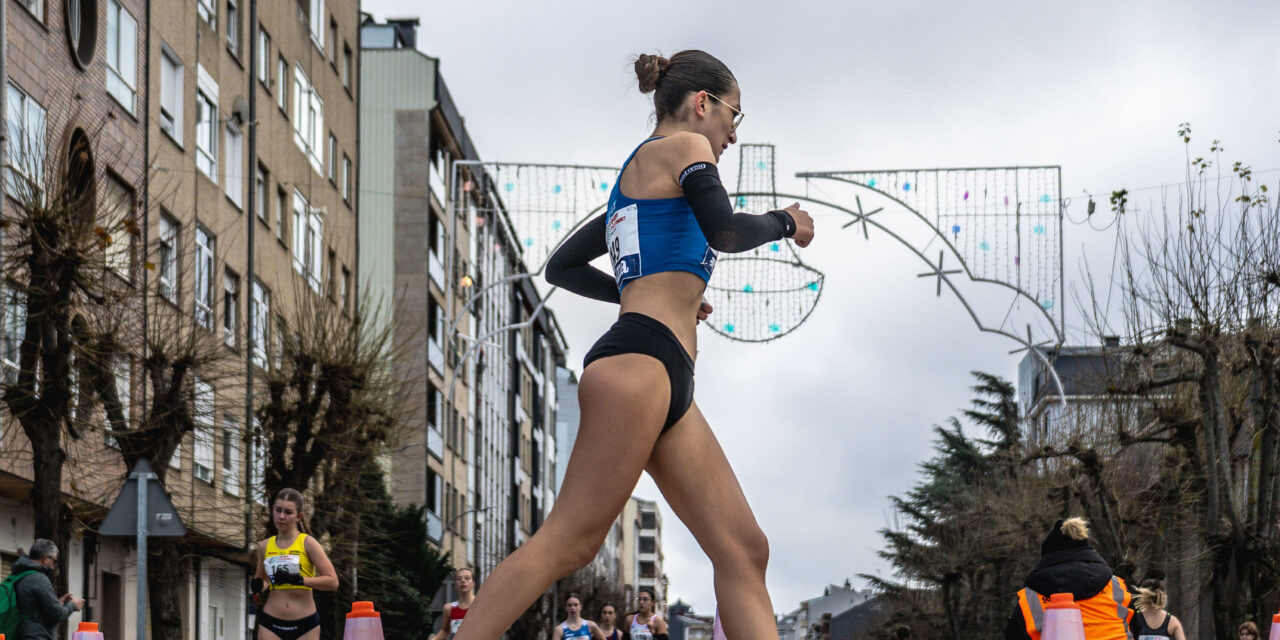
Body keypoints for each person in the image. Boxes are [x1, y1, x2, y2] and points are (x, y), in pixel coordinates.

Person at [452, 49, 813, 640]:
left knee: (745, 549)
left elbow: (562, 267)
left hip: (661, 371)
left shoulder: (634, 178)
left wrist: (645, 291)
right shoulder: (685, 148)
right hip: (639, 365)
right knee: (569, 542)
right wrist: (784, 222)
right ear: (703, 104)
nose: (731, 136)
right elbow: (725, 228)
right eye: (734, 117)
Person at [1004, 517, 1134, 640]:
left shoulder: (1031, 596)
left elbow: (1014, 634)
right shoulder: (1116, 586)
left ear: (1047, 558)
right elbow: (1137, 625)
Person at [251, 489, 339, 640]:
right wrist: (259, 585)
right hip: (270, 623)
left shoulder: (308, 543)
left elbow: (332, 582)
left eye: (288, 512)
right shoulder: (264, 546)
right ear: (272, 510)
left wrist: (300, 580)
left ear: (299, 516)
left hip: (305, 624)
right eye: (278, 510)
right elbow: (264, 580)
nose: (281, 516)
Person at [11, 539, 83, 640]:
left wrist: (57, 603)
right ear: (45, 559)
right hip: (36, 637)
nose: (53, 567)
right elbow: (57, 614)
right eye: (54, 561)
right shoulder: (38, 579)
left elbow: (31, 607)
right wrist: (72, 605)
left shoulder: (19, 575)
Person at [432, 569, 476, 640]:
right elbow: (445, 631)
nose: (463, 581)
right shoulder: (449, 608)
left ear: (473, 583)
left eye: (467, 578)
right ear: (455, 584)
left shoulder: (480, 605)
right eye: (459, 579)